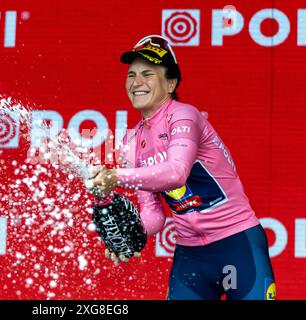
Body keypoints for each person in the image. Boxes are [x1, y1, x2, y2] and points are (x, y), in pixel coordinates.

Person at [90, 35, 276, 300]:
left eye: (147, 74)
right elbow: (154, 213)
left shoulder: (185, 115)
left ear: (171, 83)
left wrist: (114, 176)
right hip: (191, 256)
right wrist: (132, 235)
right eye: (131, 75)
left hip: (237, 243)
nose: (136, 82)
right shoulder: (130, 141)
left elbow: (176, 173)